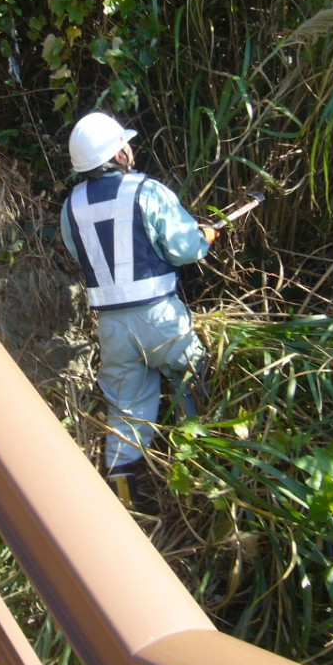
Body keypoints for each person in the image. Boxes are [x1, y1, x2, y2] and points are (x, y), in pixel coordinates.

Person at [60, 112, 216, 511]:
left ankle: (124, 507)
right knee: (191, 382)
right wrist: (204, 237)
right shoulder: (147, 191)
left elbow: (82, 254)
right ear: (119, 154)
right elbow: (185, 250)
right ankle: (202, 472)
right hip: (161, 318)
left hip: (112, 328)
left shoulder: (71, 207)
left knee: (126, 410)